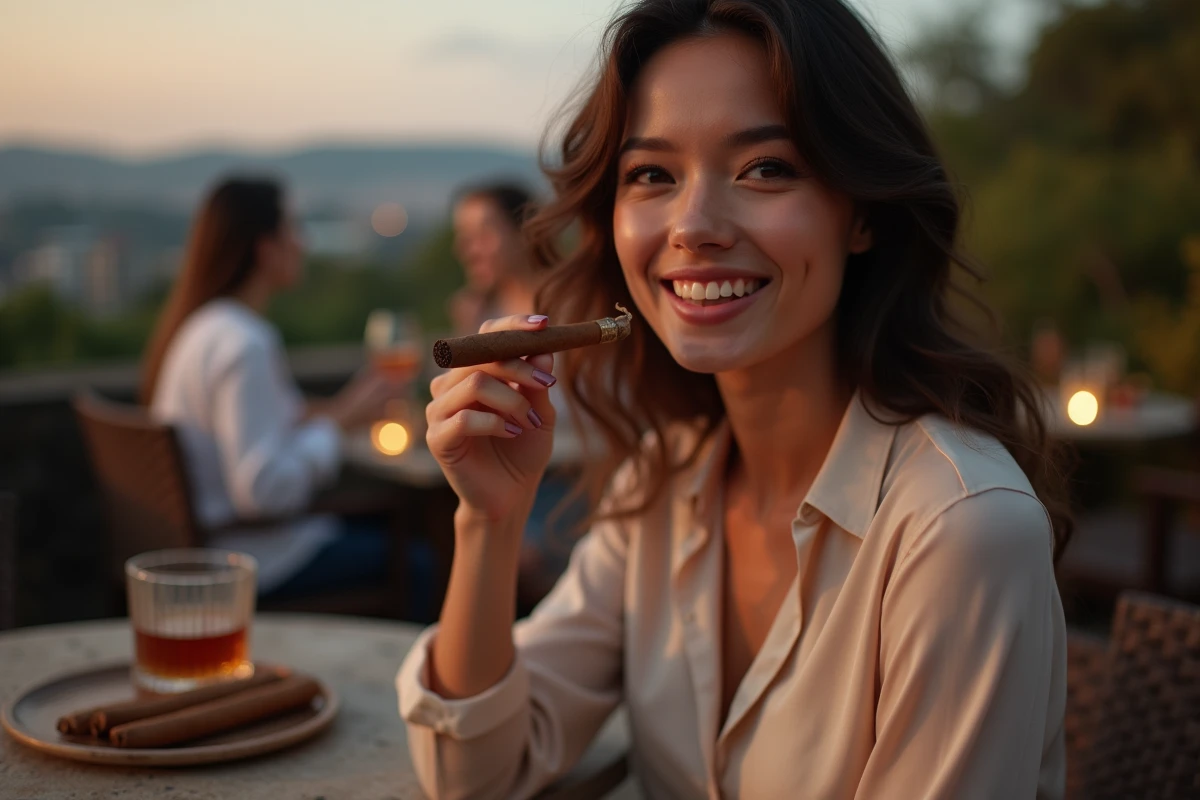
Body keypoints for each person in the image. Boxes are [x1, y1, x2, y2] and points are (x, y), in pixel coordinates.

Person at [398, 1, 1073, 798]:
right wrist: (490, 521)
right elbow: (471, 773)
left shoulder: (960, 529)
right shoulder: (666, 479)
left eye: (766, 168)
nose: (694, 226)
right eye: (651, 174)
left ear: (861, 212)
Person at [141, 177, 400, 599]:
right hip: (255, 562)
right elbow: (265, 493)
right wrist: (336, 428)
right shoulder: (245, 344)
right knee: (425, 559)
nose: (304, 242)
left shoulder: (202, 328)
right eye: (293, 229)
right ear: (265, 248)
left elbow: (263, 421)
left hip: (213, 551)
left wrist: (343, 410)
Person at [449, 182, 588, 610]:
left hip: (573, 481)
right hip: (509, 472)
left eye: (484, 233)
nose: (469, 249)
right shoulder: (477, 313)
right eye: (463, 237)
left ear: (525, 231)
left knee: (511, 557)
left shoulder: (576, 306)